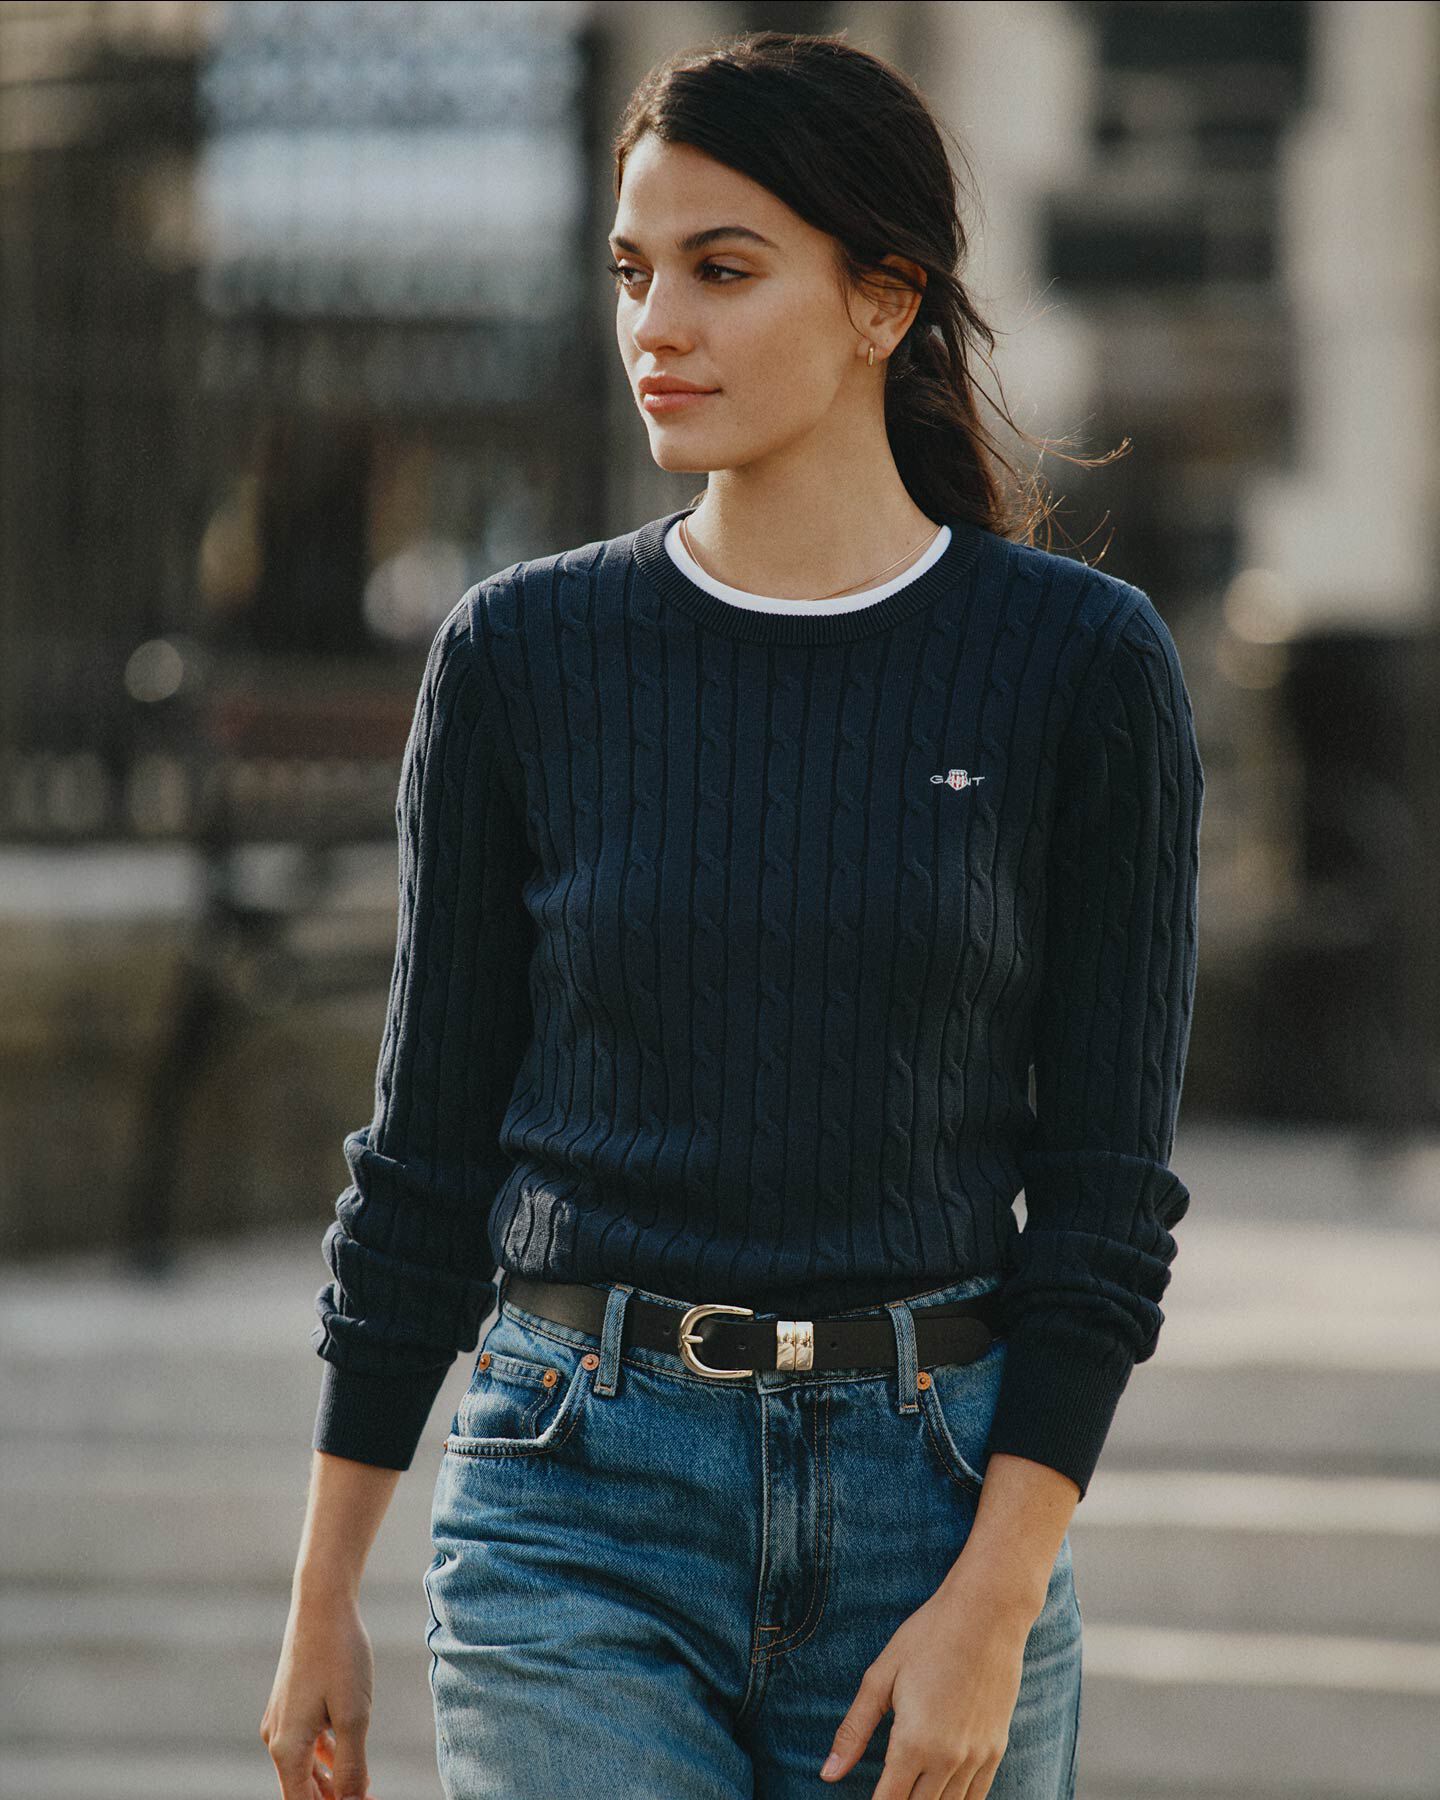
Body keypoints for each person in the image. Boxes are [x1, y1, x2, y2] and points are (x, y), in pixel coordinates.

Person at [261, 27, 1204, 1800]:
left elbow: (1100, 1199)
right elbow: (425, 1155)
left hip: (939, 1500)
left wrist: (995, 1602)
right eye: (632, 271)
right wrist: (326, 1592)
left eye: (722, 269)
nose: (654, 326)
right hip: (575, 1495)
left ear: (882, 303)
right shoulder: (522, 658)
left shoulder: (1079, 670)